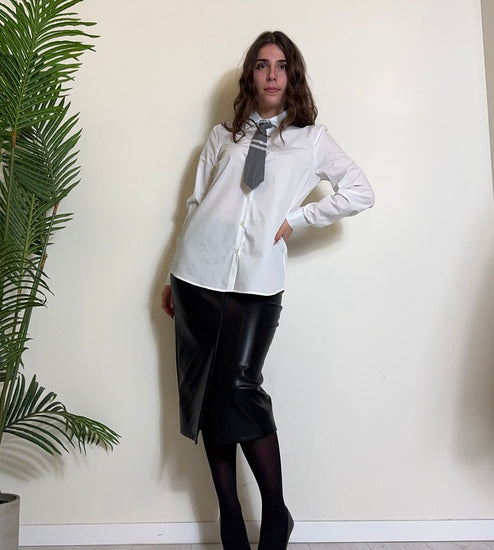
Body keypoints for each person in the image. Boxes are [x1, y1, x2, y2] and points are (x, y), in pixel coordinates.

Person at [161, 30, 374, 550]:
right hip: (197, 274)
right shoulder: (222, 136)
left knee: (240, 388)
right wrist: (171, 273)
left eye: (280, 65)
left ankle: (276, 512)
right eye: (261, 65)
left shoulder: (311, 139)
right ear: (251, 76)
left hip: (256, 280)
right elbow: (194, 207)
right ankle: (230, 518)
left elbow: (360, 191)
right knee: (209, 396)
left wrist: (297, 218)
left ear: (292, 74)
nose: (272, 74)